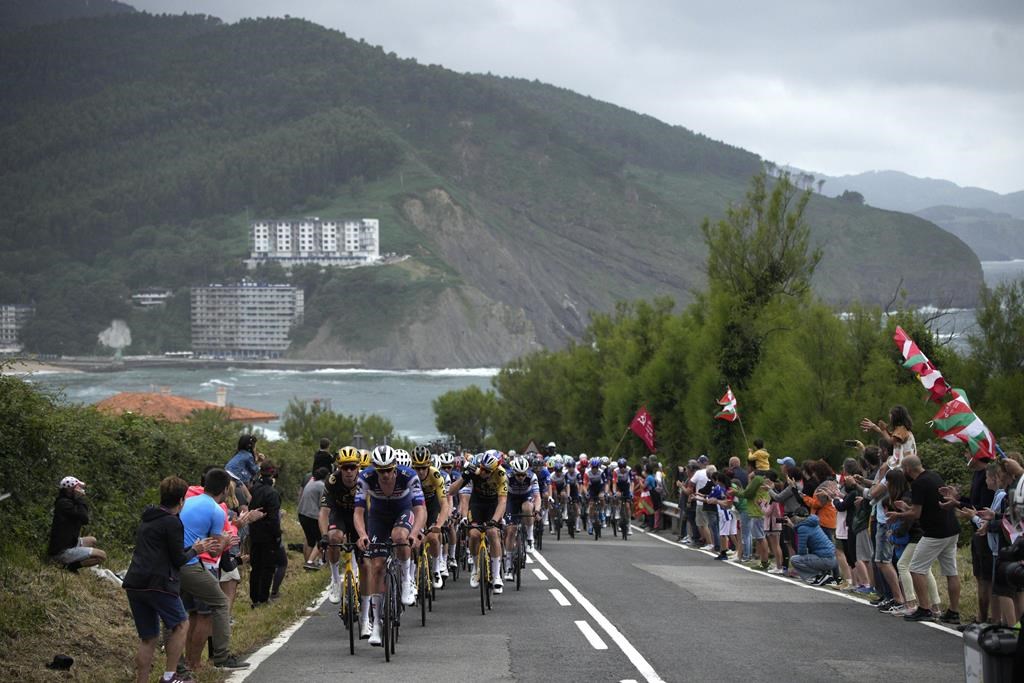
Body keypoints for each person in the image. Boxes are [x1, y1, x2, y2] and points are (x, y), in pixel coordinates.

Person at [122, 476, 218, 683]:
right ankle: (170, 676)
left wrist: (190, 550)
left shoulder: (148, 519)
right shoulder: (173, 522)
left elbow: (165, 552)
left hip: (136, 582)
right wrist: (196, 549)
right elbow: (178, 559)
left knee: (148, 637)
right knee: (181, 625)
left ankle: (143, 680)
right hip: (160, 583)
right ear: (182, 500)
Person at [354, 445, 426, 646]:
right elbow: (358, 512)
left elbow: (420, 510)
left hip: (403, 511)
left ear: (395, 468)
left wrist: (415, 533)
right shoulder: (365, 477)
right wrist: (362, 535)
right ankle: (376, 624)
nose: (385, 475)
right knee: (376, 566)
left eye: (388, 470)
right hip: (377, 517)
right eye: (381, 471)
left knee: (399, 536)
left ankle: (406, 580)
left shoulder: (408, 475)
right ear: (375, 469)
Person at [178, 468, 248, 670]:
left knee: (190, 614)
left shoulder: (188, 501)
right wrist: (227, 539)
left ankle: (189, 663)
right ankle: (221, 656)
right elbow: (216, 551)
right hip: (197, 564)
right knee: (217, 606)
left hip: (178, 561)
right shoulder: (217, 510)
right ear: (225, 489)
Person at [888, 455, 961, 624]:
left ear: (908, 469)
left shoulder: (919, 483)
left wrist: (898, 514)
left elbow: (916, 514)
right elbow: (924, 507)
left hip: (935, 532)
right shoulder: (934, 476)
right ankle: (953, 611)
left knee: (915, 568)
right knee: (951, 571)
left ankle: (924, 608)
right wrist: (907, 508)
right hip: (951, 528)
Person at [48, 476, 107, 570]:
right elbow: (84, 518)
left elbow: (83, 517)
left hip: (70, 543)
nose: (80, 490)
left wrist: (77, 499)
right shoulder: (64, 504)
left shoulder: (68, 501)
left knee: (92, 540)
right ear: (70, 490)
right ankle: (70, 567)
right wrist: (79, 499)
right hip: (62, 551)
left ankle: (74, 561)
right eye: (77, 487)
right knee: (102, 556)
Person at [248, 462, 282, 607]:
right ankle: (263, 598)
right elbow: (274, 518)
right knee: (268, 567)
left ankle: (254, 598)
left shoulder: (253, 489)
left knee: (255, 567)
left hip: (254, 532)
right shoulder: (272, 493)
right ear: (273, 476)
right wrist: (277, 534)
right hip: (268, 535)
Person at [787, 514, 838, 583]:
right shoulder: (813, 523)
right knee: (809, 556)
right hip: (833, 559)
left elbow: (802, 551)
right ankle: (824, 576)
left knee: (795, 559)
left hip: (825, 559)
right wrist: (792, 526)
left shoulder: (802, 528)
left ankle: (817, 575)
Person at [298, 467, 329, 570]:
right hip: (312, 515)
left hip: (302, 513)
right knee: (321, 539)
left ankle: (307, 562)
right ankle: (314, 562)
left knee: (309, 539)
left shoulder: (311, 481)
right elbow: (323, 504)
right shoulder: (322, 486)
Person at [225, 434, 262, 508]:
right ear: (251, 446)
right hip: (234, 477)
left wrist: (256, 460)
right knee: (249, 497)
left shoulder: (240, 453)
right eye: (255, 446)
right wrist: (260, 462)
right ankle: (244, 514)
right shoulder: (248, 455)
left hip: (227, 473)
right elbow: (254, 470)